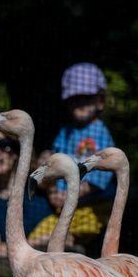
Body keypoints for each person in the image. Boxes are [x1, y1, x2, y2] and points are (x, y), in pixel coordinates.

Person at [48, 62, 116, 207]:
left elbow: (100, 175)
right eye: (75, 98)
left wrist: (70, 194)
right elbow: (55, 160)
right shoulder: (65, 131)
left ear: (101, 102)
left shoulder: (101, 134)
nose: (81, 103)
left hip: (90, 207)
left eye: (86, 97)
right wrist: (53, 191)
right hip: (63, 201)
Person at [27, 180, 103, 252]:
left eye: (61, 190)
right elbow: (30, 241)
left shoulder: (87, 212)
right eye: (51, 193)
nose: (56, 196)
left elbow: (89, 231)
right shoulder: (50, 220)